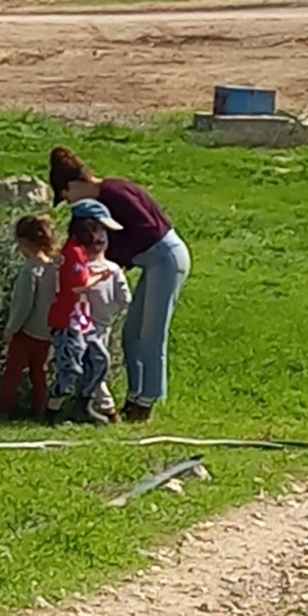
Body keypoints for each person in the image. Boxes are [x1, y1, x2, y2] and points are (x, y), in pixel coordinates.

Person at [48, 147, 191, 422]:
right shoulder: (105, 197)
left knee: (151, 334)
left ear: (73, 186)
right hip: (154, 262)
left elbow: (148, 230)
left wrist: (113, 258)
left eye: (66, 196)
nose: (69, 202)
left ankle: (146, 401)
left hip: (166, 258)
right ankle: (134, 397)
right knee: (132, 333)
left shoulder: (114, 192)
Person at [46, 199, 121, 426]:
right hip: (68, 320)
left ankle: (84, 403)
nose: (100, 236)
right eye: (97, 229)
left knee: (99, 359)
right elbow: (78, 286)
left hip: (82, 318)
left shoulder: (80, 253)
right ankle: (52, 411)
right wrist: (101, 277)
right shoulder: (74, 252)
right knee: (70, 367)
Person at [0, 215, 57, 420]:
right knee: (39, 373)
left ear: (24, 243)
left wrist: (11, 328)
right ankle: (41, 409)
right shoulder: (54, 268)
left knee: (13, 372)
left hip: (27, 331)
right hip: (47, 330)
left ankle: (4, 410)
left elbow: (24, 304)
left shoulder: (29, 270)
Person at [84, 223, 132, 424]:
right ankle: (90, 405)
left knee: (93, 368)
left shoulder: (84, 270)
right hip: (103, 324)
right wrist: (112, 311)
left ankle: (108, 409)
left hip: (86, 325)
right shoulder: (113, 270)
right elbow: (125, 298)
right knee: (94, 366)